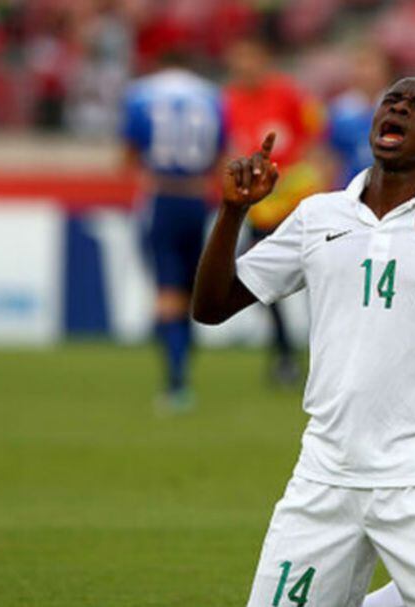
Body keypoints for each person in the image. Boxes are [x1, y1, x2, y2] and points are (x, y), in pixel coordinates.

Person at [193, 76, 415, 607]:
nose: (398, 109)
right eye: (391, 101)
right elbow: (211, 309)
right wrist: (233, 211)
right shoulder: (317, 216)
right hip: (325, 472)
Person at [122, 53, 226, 414]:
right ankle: (182, 364)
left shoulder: (141, 93)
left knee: (166, 292)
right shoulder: (212, 95)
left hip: (162, 196)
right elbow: (221, 152)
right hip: (198, 198)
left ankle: (176, 381)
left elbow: (128, 154)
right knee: (189, 287)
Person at [223, 36, 326, 385]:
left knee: (322, 284)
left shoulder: (288, 94)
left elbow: (315, 137)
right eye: (237, 61)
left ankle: (323, 356)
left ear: (263, 59)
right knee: (260, 283)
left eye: (248, 59)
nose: (242, 68)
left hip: (298, 207)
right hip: (262, 211)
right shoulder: (230, 101)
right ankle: (283, 354)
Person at [326, 45, 393, 187]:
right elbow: (328, 156)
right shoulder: (338, 111)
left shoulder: (400, 109)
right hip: (349, 190)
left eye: (371, 66)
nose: (366, 73)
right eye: (361, 65)